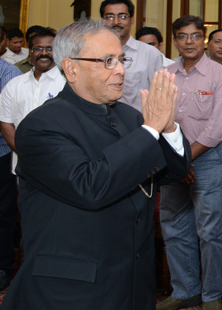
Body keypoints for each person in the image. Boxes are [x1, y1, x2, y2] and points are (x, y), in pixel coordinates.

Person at [0, 20, 191, 310]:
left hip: (132, 282)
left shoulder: (130, 117)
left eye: (121, 59)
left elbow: (173, 172)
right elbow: (91, 186)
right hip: (71, 288)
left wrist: (168, 126)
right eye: (107, 61)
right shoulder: (40, 126)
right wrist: (151, 127)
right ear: (72, 68)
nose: (121, 69)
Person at [157, 16, 222, 310]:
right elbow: (159, 119)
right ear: (175, 40)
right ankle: (184, 290)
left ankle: (211, 295)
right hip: (173, 162)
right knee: (174, 228)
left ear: (203, 40)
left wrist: (185, 159)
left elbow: (218, 128)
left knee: (209, 232)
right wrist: (176, 162)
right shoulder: (165, 74)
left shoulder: (221, 76)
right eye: (182, 36)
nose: (188, 41)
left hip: (207, 162)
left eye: (194, 36)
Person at [0, 27, 66, 173]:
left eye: (49, 49)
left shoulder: (69, 83)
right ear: (30, 53)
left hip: (60, 166)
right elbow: (5, 122)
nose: (44, 53)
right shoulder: (14, 84)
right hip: (24, 165)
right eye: (38, 48)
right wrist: (24, 152)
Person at [100, 0, 171, 111]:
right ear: (103, 21)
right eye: (110, 17)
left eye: (122, 17)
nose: (116, 22)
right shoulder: (93, 52)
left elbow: (161, 95)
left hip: (136, 124)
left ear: (132, 20)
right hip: (100, 123)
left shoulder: (149, 53)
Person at [0, 58, 21, 291]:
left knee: (3, 214)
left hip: (2, 153)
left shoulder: (8, 73)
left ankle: (3, 267)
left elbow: (6, 119)